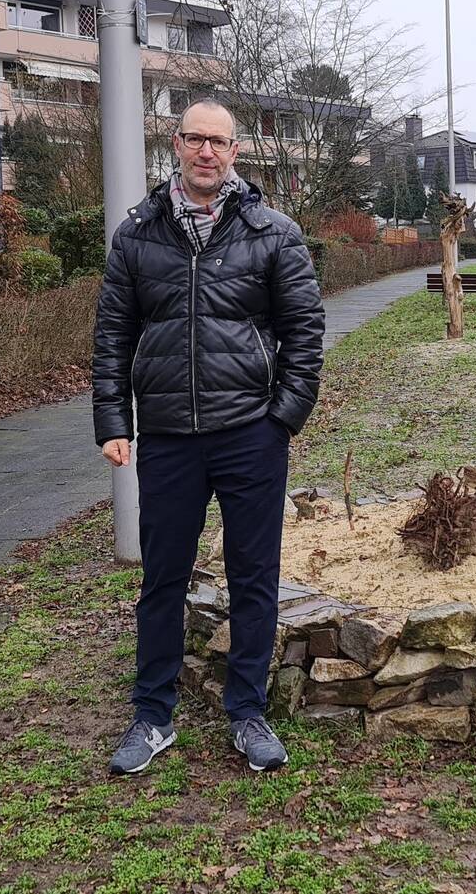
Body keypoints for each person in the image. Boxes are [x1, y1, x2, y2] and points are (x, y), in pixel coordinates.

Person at [92, 98, 326, 776]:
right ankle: (152, 715)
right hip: (167, 435)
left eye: (218, 141)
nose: (205, 151)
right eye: (194, 138)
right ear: (176, 143)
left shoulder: (273, 231)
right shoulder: (137, 233)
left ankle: (248, 711)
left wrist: (282, 417)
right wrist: (114, 419)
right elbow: (112, 334)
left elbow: (305, 332)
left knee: (254, 577)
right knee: (162, 579)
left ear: (235, 151)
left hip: (251, 433)